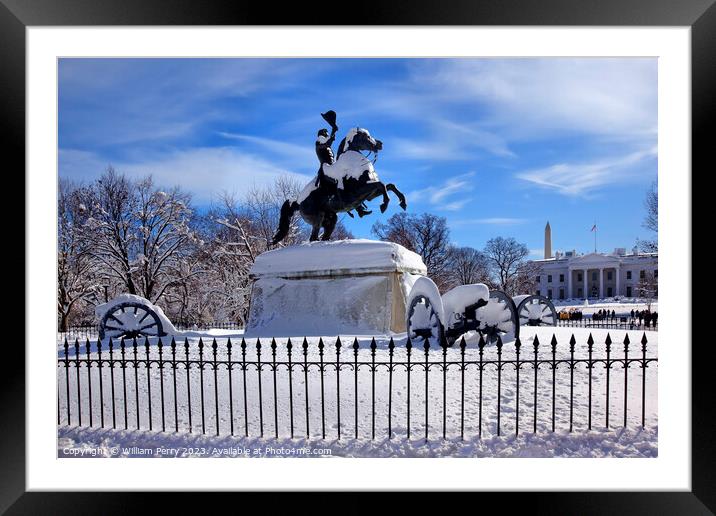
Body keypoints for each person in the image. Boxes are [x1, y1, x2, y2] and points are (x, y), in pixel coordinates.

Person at [315, 111, 371, 218]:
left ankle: (358, 208)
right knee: (339, 180)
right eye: (325, 134)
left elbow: (328, 143)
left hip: (332, 167)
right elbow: (327, 143)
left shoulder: (325, 145)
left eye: (327, 134)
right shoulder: (319, 143)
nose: (327, 136)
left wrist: (333, 132)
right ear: (322, 135)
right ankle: (343, 202)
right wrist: (333, 132)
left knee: (348, 179)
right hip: (325, 168)